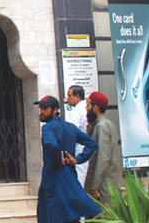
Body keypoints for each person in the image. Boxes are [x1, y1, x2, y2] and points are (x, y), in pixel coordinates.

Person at [34, 95, 101, 223]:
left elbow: (51, 144)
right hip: (69, 181)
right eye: (40, 108)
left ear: (55, 110)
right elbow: (91, 144)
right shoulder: (70, 127)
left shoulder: (48, 128)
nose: (41, 112)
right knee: (71, 216)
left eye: (45, 108)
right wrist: (77, 159)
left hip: (53, 182)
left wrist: (60, 159)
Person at [84, 92, 122, 206]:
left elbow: (103, 158)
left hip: (103, 185)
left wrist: (94, 186)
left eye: (88, 106)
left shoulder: (102, 126)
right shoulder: (101, 124)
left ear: (95, 108)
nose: (86, 109)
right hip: (103, 183)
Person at [64, 85, 89, 186]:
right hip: (86, 149)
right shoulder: (86, 108)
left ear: (77, 96)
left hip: (79, 150)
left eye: (69, 96)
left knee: (78, 180)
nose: (67, 99)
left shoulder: (77, 111)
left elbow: (70, 132)